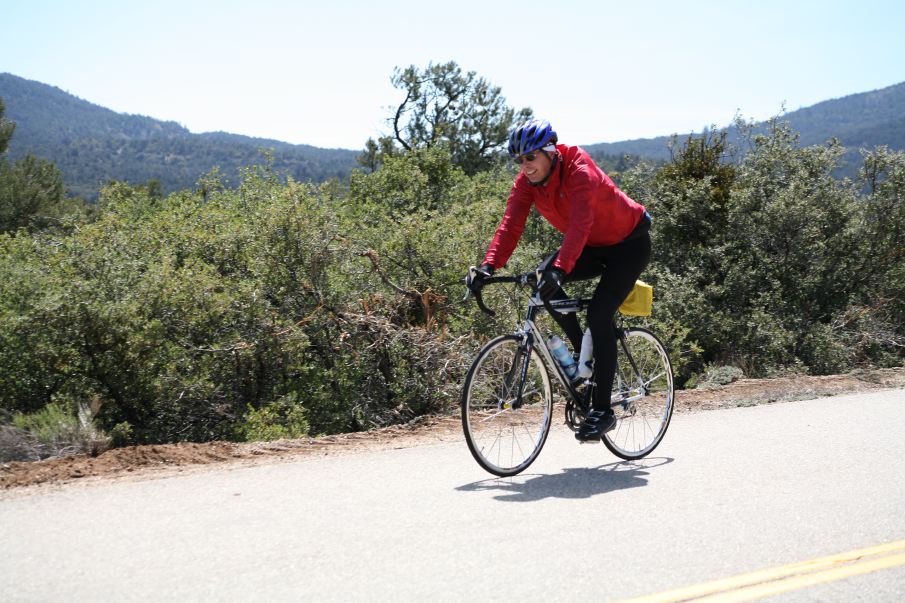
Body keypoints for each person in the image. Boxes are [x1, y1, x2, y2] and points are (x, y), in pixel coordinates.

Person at [466, 118, 652, 442]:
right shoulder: (526, 183)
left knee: (599, 312)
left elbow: (580, 224)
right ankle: (584, 357)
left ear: (550, 152)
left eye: (531, 158)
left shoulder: (579, 169)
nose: (525, 166)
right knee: (543, 283)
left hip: (629, 244)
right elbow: (510, 225)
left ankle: (603, 410)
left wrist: (562, 267)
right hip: (592, 246)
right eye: (520, 160)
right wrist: (488, 266)